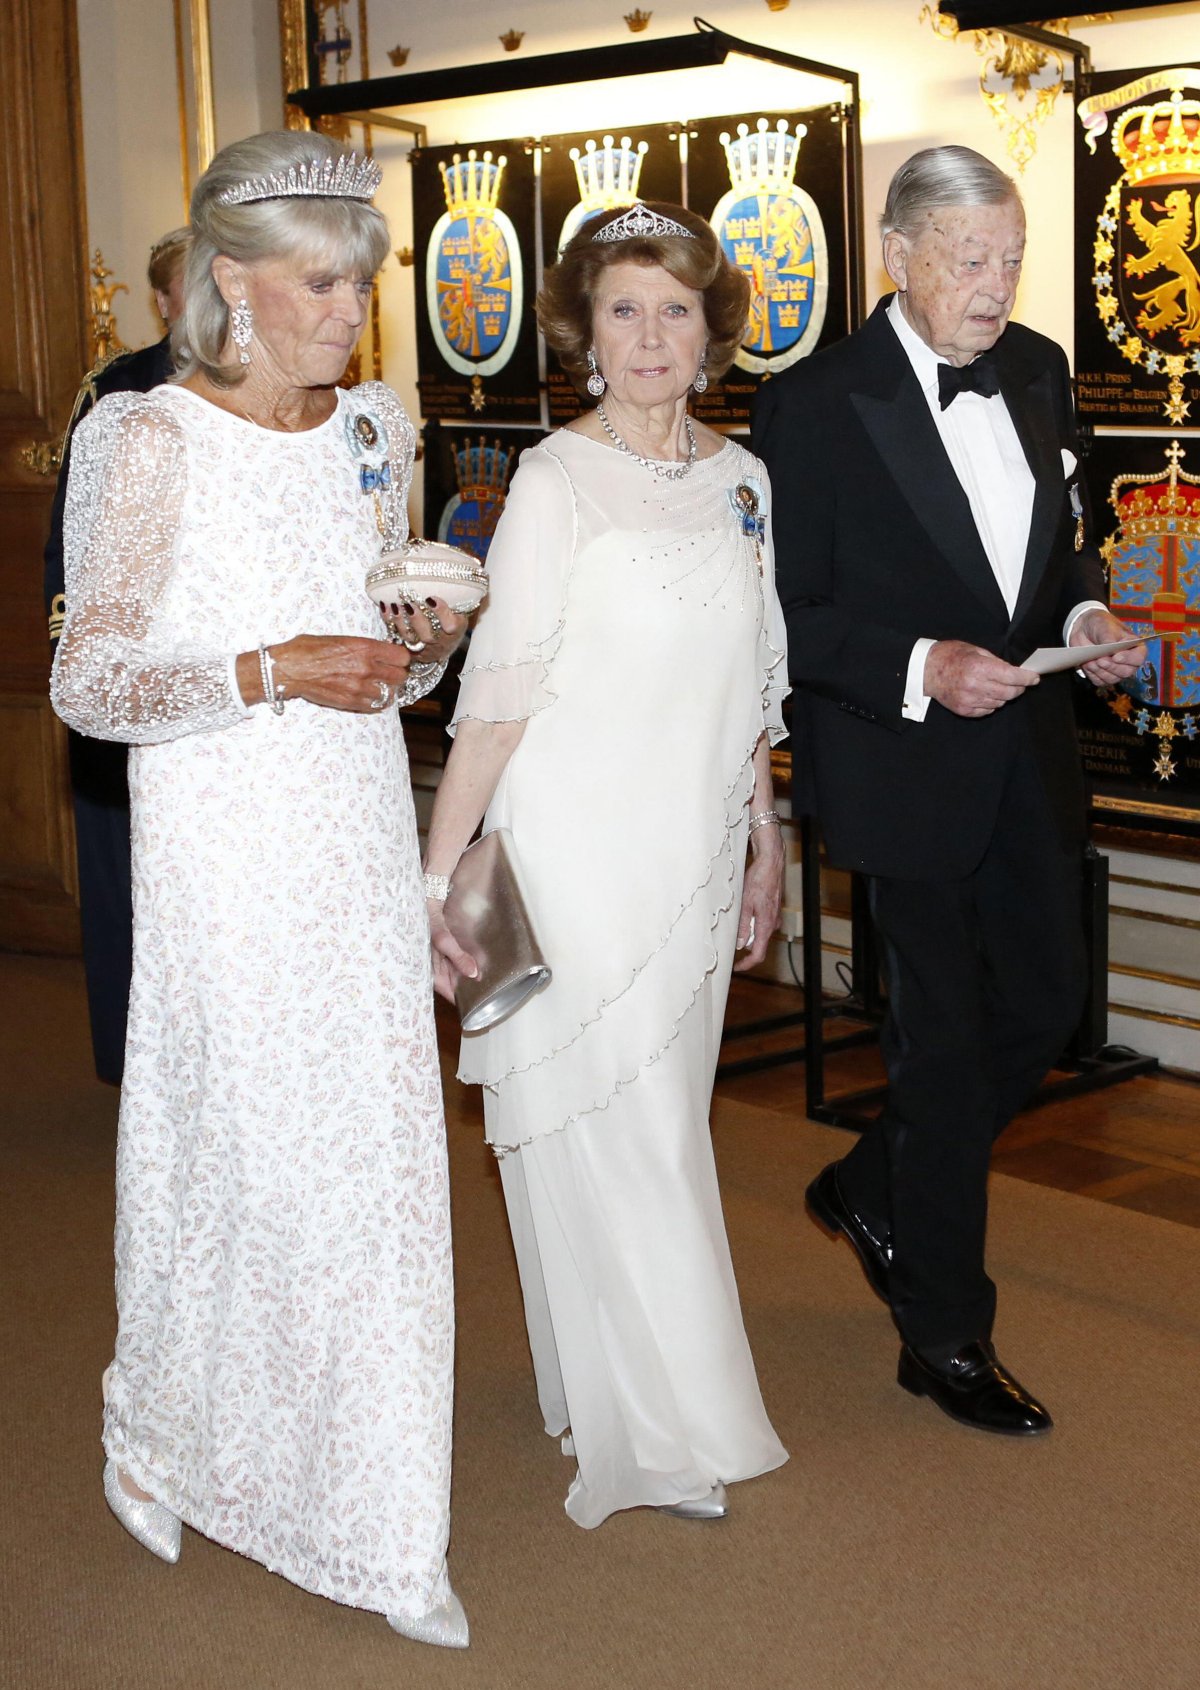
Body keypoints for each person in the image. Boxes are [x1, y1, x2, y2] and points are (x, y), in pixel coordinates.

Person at [50, 131, 471, 1647]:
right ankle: (166, 1433)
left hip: (352, 835)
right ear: (230, 280)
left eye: (360, 279)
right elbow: (87, 683)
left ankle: (379, 1517)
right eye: (317, 281)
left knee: (378, 1174)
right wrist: (269, 666)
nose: (347, 308)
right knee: (242, 1166)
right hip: (222, 848)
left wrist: (413, 648)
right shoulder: (147, 438)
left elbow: (383, 640)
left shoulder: (378, 426)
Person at [752, 145, 1146, 1436]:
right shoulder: (814, 404)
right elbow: (785, 616)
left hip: (1027, 759)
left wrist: (1086, 610)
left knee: (1045, 1003)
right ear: (897, 253)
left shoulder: (1033, 372)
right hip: (900, 763)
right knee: (940, 1043)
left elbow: (1060, 543)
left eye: (1012, 258)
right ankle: (944, 1331)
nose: (997, 284)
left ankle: (879, 1185)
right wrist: (925, 662)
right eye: (970, 259)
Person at [423, 200, 789, 1528]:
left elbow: (757, 688)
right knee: (629, 1134)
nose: (651, 336)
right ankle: (665, 1426)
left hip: (690, 858)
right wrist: (437, 874)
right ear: (585, 333)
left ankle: (630, 1384)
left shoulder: (746, 482)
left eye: (676, 310)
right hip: (578, 851)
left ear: (712, 332)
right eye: (625, 310)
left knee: (665, 1128)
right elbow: (499, 699)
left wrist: (766, 842)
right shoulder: (552, 482)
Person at [44, 226, 191, 1084]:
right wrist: (84, 662)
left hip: (220, 670)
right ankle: (133, 1060)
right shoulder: (117, 392)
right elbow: (71, 540)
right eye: (185, 284)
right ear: (163, 300)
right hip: (123, 667)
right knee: (123, 877)